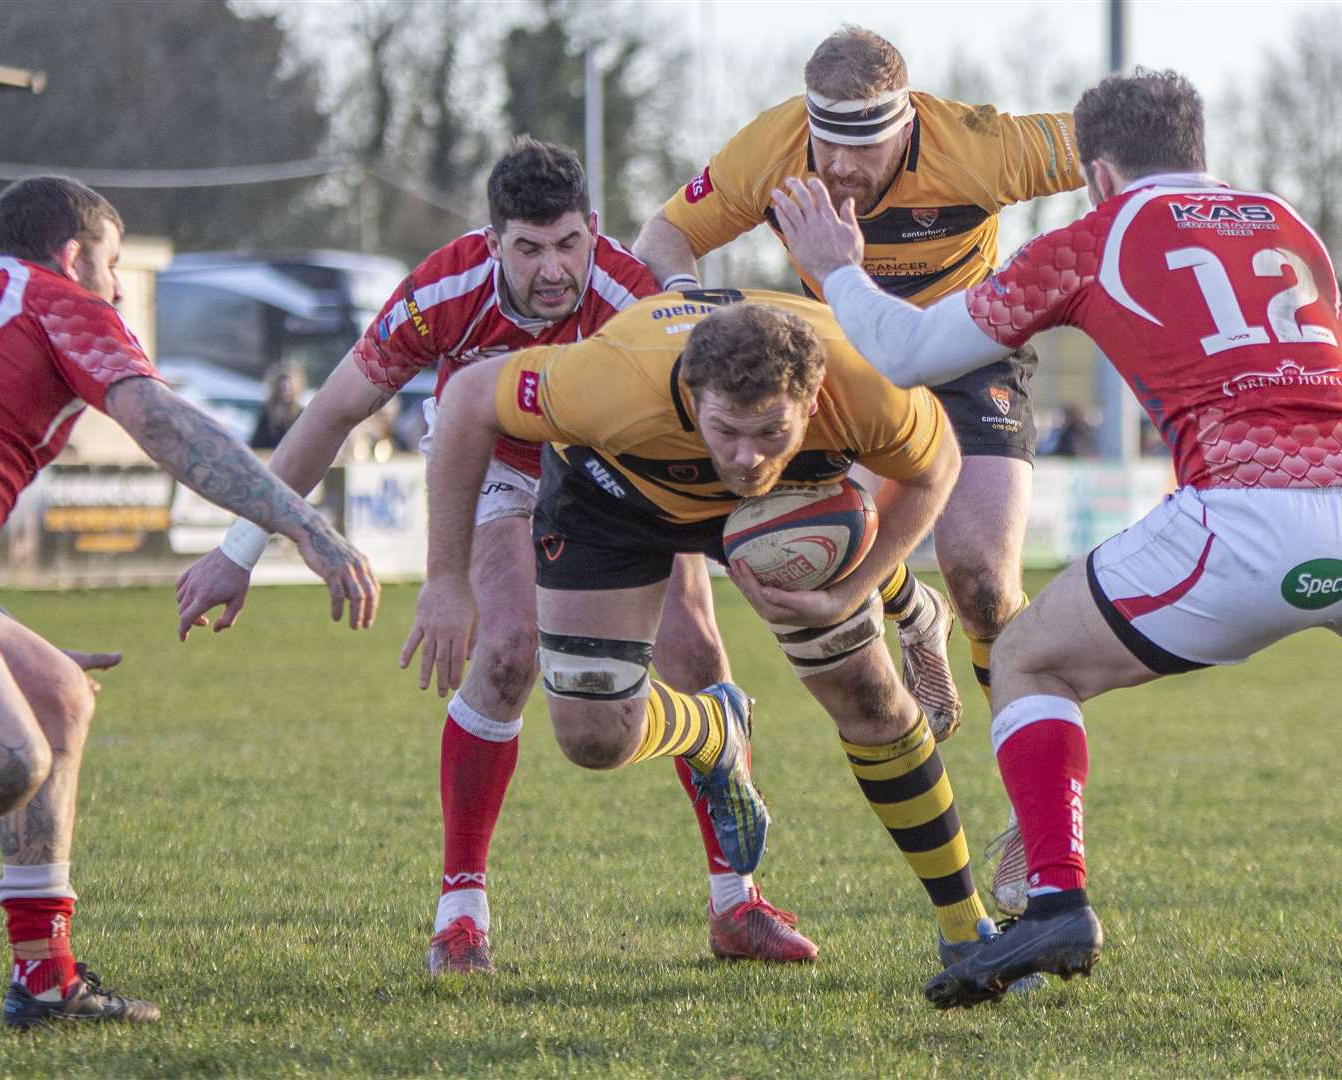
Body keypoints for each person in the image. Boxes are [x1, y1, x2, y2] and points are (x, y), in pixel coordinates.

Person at [770, 70, 1342, 1043]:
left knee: (1028, 658)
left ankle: (1053, 904)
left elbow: (913, 354)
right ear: (1197, 150)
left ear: (1097, 171)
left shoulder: (1094, 236)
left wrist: (838, 266)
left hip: (1251, 514)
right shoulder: (1283, 221)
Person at [175, 139, 862, 971]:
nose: (551, 268)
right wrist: (240, 550)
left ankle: (735, 904)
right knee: (506, 653)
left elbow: (721, 411)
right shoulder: (443, 291)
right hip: (497, 469)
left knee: (696, 654)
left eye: (568, 244)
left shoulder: (629, 291)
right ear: (493, 238)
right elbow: (330, 414)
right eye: (528, 248)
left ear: (593, 231)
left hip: (620, 474)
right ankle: (460, 914)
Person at [0, 175, 379, 1029]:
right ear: (71, 255)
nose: (121, 285)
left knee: (55, 696)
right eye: (114, 261)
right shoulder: (56, 297)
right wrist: (304, 527)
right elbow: (162, 422)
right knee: (1, 757)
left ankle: (46, 980)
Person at [402, 291, 1031, 976]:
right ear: (691, 393)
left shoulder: (864, 381)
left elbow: (934, 466)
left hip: (787, 505)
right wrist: (443, 578)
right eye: (726, 429)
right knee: (592, 738)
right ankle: (712, 731)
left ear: (814, 398)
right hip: (614, 499)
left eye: (770, 432)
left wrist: (855, 586)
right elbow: (467, 397)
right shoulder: (612, 378)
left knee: (871, 699)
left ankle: (966, 931)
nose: (745, 456)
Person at [633, 26, 1082, 710]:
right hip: (847, 355)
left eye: (864, 143)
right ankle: (912, 609)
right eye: (827, 141)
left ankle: (1027, 777)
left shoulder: (979, 147)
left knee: (986, 586)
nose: (840, 164)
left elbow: (1122, 150)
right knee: (819, 544)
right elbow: (664, 235)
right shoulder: (769, 150)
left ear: (907, 123)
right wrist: (692, 307)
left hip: (966, 351)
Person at [249, 361, 306, 450]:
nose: (286, 390)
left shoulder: (301, 413)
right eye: (282, 387)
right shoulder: (266, 411)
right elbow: (256, 443)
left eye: (289, 387)